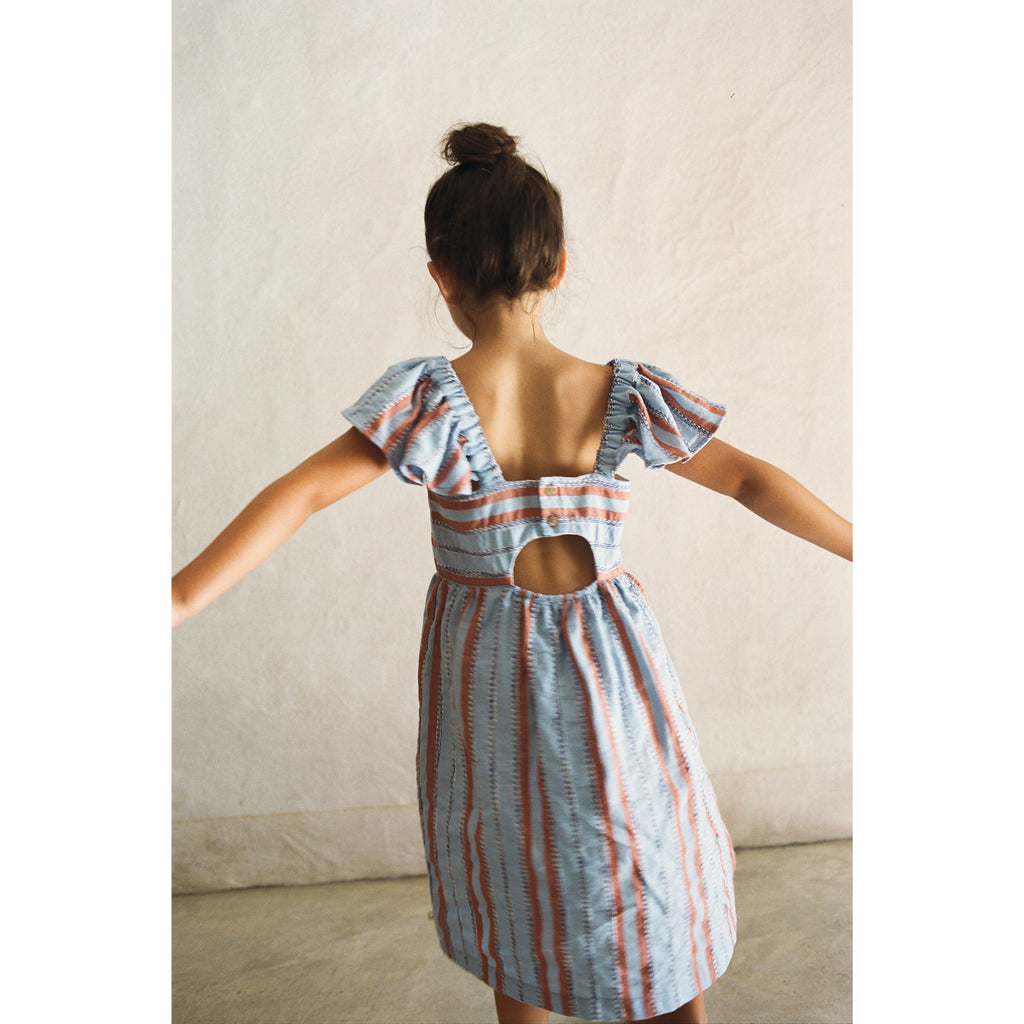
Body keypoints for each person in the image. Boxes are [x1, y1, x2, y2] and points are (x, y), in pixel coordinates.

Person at [172, 122, 852, 1024]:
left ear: (440, 276)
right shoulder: (619, 392)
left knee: (513, 853)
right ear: (558, 265)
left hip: (489, 680)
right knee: (647, 848)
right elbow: (751, 480)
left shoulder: (428, 400)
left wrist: (176, 598)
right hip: (614, 671)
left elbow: (299, 497)